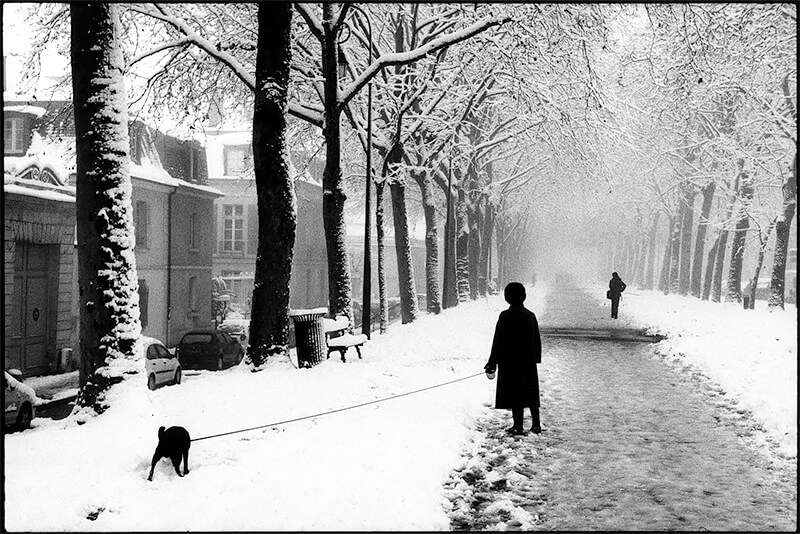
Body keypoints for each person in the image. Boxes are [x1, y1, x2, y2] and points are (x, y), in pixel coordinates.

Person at [484, 282, 542, 435]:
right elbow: (536, 339)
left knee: (516, 395)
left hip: (510, 362)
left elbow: (498, 341)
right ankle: (536, 424)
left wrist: (492, 363)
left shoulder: (505, 316)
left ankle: (518, 425)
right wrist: (535, 358)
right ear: (524, 296)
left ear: (507, 298)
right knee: (531, 392)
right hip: (527, 361)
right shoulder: (530, 316)